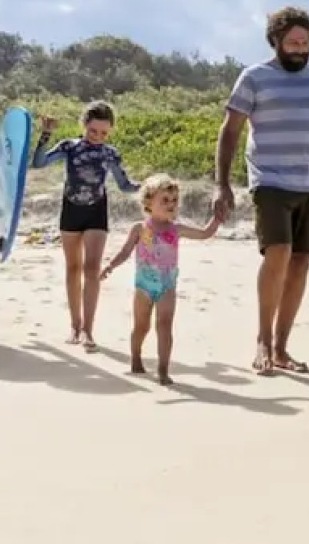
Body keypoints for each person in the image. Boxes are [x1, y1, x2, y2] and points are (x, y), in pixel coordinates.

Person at [212, 5, 309, 376]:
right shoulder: (254, 77)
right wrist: (221, 183)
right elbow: (231, 130)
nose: (300, 48)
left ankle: (282, 348)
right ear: (276, 42)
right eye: (292, 42)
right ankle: (263, 341)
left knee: (301, 261)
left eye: (305, 42)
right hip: (270, 179)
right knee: (279, 253)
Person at [30, 101, 140, 352]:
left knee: (92, 269)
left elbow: (124, 185)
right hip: (71, 209)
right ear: (84, 126)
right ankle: (74, 325)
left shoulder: (110, 153)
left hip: (96, 212)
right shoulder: (70, 147)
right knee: (73, 268)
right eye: (93, 131)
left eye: (104, 133)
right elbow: (39, 163)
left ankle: (89, 330)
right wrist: (45, 135)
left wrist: (145, 186)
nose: (98, 137)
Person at [100, 174, 222, 385]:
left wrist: (217, 218)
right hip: (143, 286)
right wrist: (110, 265)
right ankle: (136, 357)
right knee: (141, 327)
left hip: (167, 286)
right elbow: (125, 251)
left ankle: (163, 369)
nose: (171, 204)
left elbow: (204, 234)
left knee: (164, 325)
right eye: (164, 200)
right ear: (148, 202)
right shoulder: (140, 229)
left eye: (174, 200)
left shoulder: (176, 230)